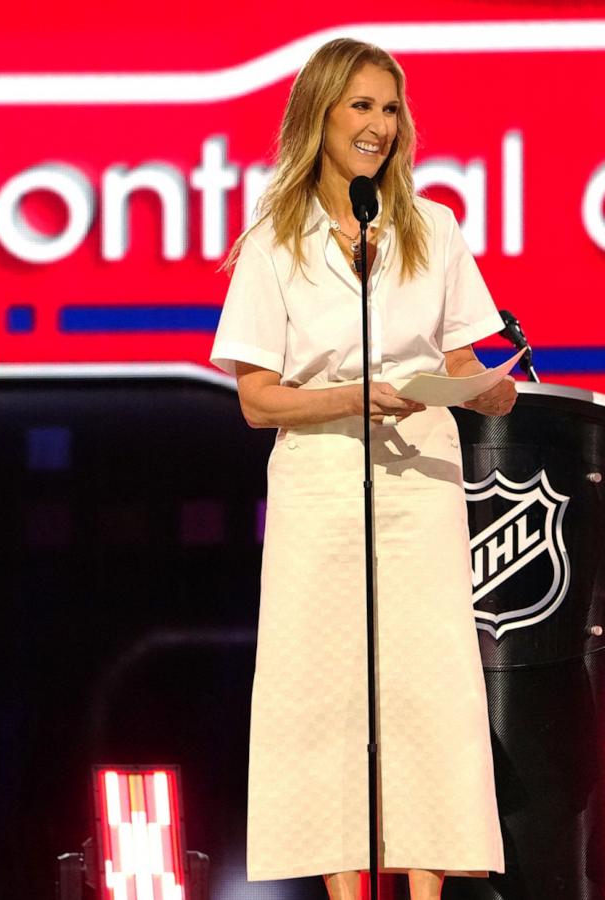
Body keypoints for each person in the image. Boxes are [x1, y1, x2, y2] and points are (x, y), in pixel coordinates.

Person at [210, 37, 512, 900]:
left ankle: (427, 890)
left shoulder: (435, 229)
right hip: (320, 492)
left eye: (390, 109)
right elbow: (258, 400)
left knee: (428, 694)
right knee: (328, 696)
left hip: (421, 486)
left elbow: (462, 358)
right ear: (320, 115)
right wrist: (354, 396)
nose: (379, 125)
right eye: (362, 107)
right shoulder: (275, 238)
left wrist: (488, 391)